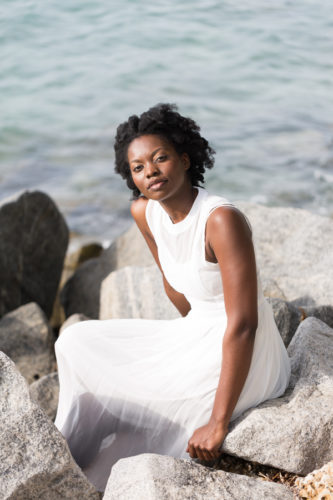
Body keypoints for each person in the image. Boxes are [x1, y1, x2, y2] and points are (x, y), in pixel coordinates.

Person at [54, 103, 291, 492]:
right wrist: (177, 348)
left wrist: (217, 423)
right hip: (197, 330)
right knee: (75, 341)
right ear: (131, 177)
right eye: (138, 167)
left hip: (245, 349)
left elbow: (245, 324)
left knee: (146, 399)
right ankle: (65, 461)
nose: (150, 171)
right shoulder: (144, 213)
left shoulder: (220, 220)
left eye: (160, 158)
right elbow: (172, 284)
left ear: (185, 158)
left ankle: (81, 473)